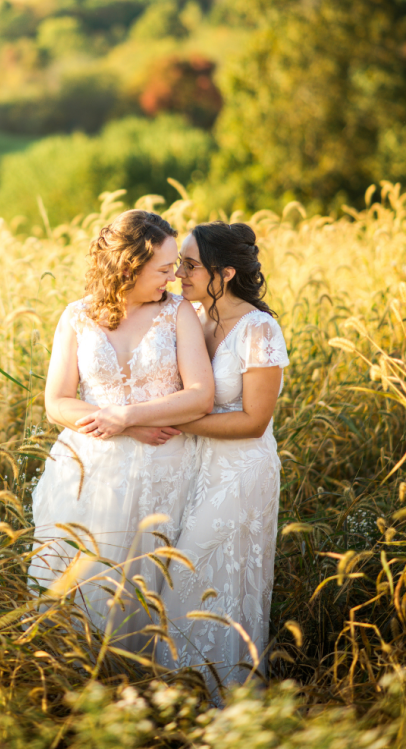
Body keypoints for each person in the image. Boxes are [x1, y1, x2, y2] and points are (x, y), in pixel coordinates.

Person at [29, 210, 214, 653]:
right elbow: (58, 403)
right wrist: (125, 427)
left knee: (153, 577)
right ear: (129, 267)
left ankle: (152, 682)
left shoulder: (178, 312)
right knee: (87, 576)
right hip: (91, 470)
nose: (173, 278)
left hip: (165, 470)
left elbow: (201, 395)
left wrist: (129, 416)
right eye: (165, 269)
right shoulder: (76, 316)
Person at [156, 221, 289, 697]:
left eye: (190, 265)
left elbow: (254, 420)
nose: (178, 274)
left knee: (213, 580)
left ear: (225, 272)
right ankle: (178, 694)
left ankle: (224, 698)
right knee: (178, 575)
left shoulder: (259, 330)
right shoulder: (190, 316)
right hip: (191, 464)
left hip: (241, 469)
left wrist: (181, 423)